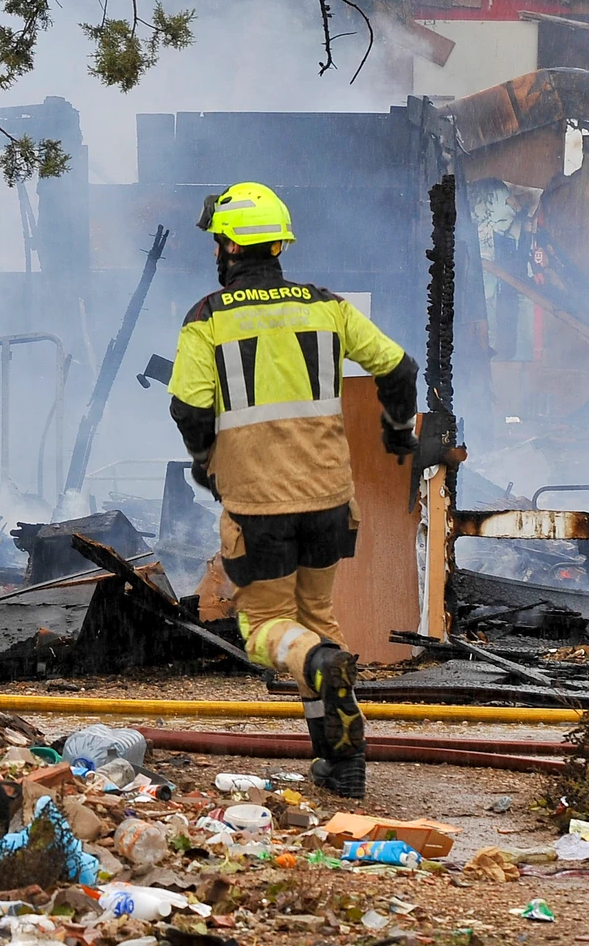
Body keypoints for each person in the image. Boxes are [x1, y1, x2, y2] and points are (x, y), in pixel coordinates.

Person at [165, 181, 419, 798]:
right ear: (278, 243)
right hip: (331, 501)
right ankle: (340, 760)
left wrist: (206, 462)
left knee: (266, 629)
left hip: (259, 508)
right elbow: (399, 368)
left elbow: (189, 408)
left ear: (226, 245)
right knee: (316, 620)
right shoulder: (325, 306)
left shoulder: (208, 319)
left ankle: (319, 673)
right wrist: (397, 433)